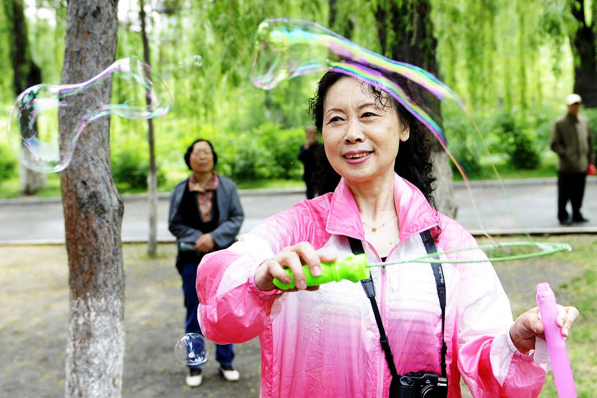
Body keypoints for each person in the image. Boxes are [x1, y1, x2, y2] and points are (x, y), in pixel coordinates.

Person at [196, 69, 579, 397]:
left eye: (368, 115)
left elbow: (482, 363)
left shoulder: (448, 240)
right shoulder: (298, 227)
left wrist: (516, 339)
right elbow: (219, 301)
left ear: (404, 126)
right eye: (335, 119)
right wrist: (261, 279)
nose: (352, 133)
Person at [168, 138, 244, 387]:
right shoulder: (180, 189)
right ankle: (194, 364)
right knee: (194, 311)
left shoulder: (227, 186)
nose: (202, 156)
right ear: (189, 158)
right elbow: (174, 223)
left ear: (213, 157)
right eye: (197, 152)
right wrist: (198, 239)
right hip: (191, 260)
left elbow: (236, 217)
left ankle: (226, 361)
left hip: (222, 259)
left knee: (222, 309)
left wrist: (213, 238)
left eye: (207, 152)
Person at [550, 93, 595, 225]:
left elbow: (589, 141)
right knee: (564, 193)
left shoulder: (584, 121)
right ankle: (563, 216)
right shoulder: (560, 122)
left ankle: (577, 213)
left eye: (577, 105)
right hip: (566, 166)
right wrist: (566, 154)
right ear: (568, 106)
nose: (575, 108)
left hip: (582, 164)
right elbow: (554, 143)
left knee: (579, 192)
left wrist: (590, 160)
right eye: (572, 105)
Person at [298, 125, 322, 199]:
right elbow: (300, 158)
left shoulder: (319, 146)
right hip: (308, 174)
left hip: (319, 174)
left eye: (312, 133)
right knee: (309, 195)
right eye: (309, 133)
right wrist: (307, 147)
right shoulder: (304, 147)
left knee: (321, 194)